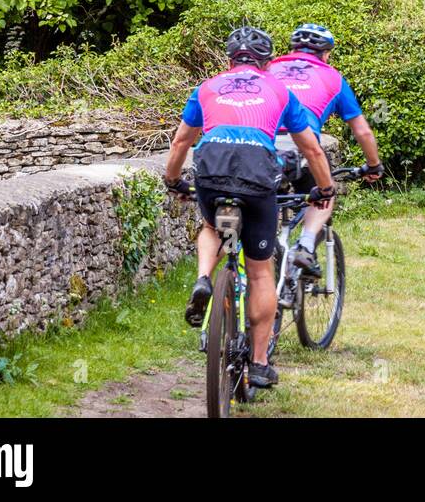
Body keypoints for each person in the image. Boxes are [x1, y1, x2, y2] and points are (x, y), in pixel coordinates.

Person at [163, 26, 335, 389]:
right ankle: (258, 363)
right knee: (260, 273)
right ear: (268, 62)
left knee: (211, 226)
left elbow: (181, 141)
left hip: (212, 167)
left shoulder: (207, 87)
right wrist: (325, 187)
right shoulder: (279, 89)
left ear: (228, 60)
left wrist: (173, 180)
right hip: (258, 173)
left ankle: (204, 279)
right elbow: (311, 149)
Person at [267, 23, 384, 272]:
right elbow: (362, 130)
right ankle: (306, 246)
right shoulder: (332, 77)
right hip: (299, 149)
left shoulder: (270, 68)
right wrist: (373, 165)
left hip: (259, 147)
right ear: (325, 54)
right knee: (324, 193)